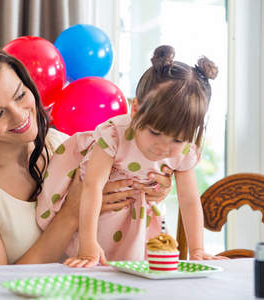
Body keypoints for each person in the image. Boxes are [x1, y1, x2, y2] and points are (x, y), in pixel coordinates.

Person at [0, 41, 173, 266]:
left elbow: (122, 203)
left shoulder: (65, 146)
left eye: (20, 95)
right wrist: (71, 213)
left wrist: (151, 186)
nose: (19, 116)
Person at [37, 45, 227, 268]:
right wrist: (87, 243)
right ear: (135, 109)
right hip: (94, 219)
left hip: (135, 224)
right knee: (85, 270)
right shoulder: (115, 134)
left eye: (177, 139)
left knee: (130, 274)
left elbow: (189, 200)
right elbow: (92, 187)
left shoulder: (184, 150)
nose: (162, 148)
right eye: (155, 132)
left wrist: (197, 250)